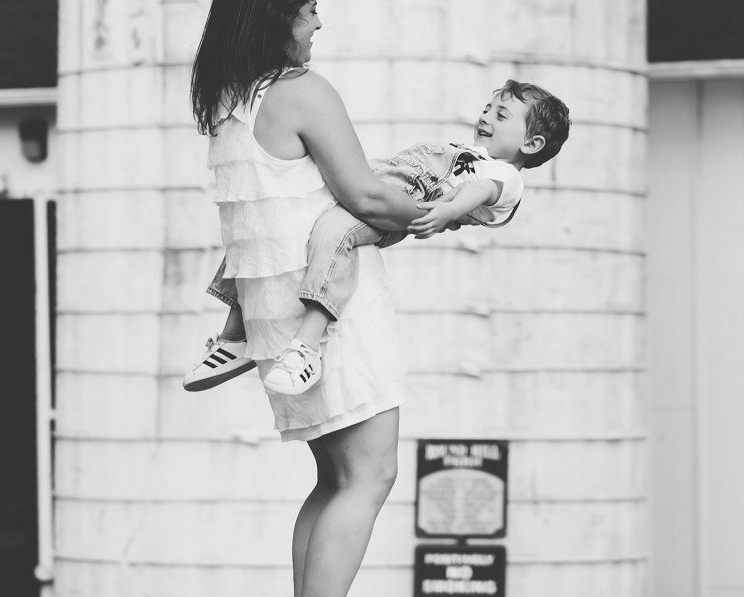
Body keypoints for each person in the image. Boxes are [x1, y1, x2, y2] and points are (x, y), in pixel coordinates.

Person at [188, 0, 428, 597]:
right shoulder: (302, 93)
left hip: (274, 318)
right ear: (279, 16)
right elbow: (368, 197)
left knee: (335, 478)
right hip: (329, 311)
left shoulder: (230, 100)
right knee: (371, 474)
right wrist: (427, 211)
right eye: (310, 8)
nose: (318, 24)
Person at [187, 79, 572, 395]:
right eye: (488, 108)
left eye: (500, 114)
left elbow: (483, 191)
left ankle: (306, 347)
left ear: (531, 144)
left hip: (405, 199)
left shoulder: (506, 176)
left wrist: (450, 210)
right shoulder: (468, 152)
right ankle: (235, 334)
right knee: (276, 211)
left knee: (335, 232)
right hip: (380, 177)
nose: (486, 116)